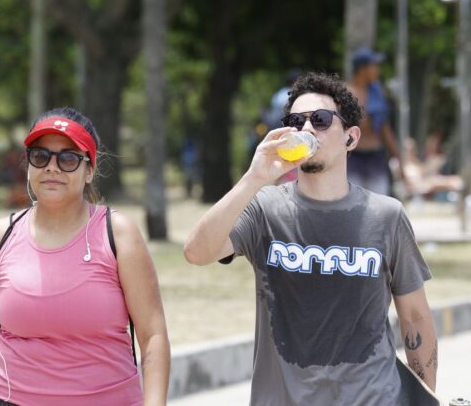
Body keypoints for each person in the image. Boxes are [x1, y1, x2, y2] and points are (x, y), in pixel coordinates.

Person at [184, 72, 437, 405]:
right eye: (295, 121)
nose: (306, 130)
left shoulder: (385, 216)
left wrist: (426, 398)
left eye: (320, 120)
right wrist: (254, 178)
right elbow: (197, 252)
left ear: (351, 137)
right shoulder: (265, 208)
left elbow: (415, 316)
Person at [0, 107, 170, 406]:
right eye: (40, 156)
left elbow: (152, 336)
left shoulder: (117, 233)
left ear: (89, 169)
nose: (52, 168)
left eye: (68, 159)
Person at [347, 47, 407, 196]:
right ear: (362, 69)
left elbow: (385, 129)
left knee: (379, 204)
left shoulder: (376, 92)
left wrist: (399, 160)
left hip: (375, 156)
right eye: (374, 66)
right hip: (351, 157)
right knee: (351, 204)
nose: (378, 70)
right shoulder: (345, 94)